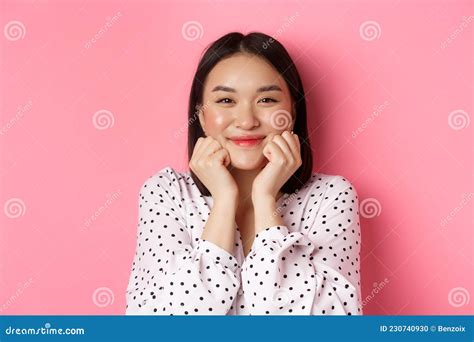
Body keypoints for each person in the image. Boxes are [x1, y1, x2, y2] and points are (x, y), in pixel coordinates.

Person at [125, 31, 362, 315]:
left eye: (267, 100)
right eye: (226, 101)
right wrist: (224, 200)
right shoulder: (166, 193)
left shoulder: (330, 197)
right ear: (200, 115)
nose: (247, 121)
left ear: (292, 112)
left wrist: (265, 199)